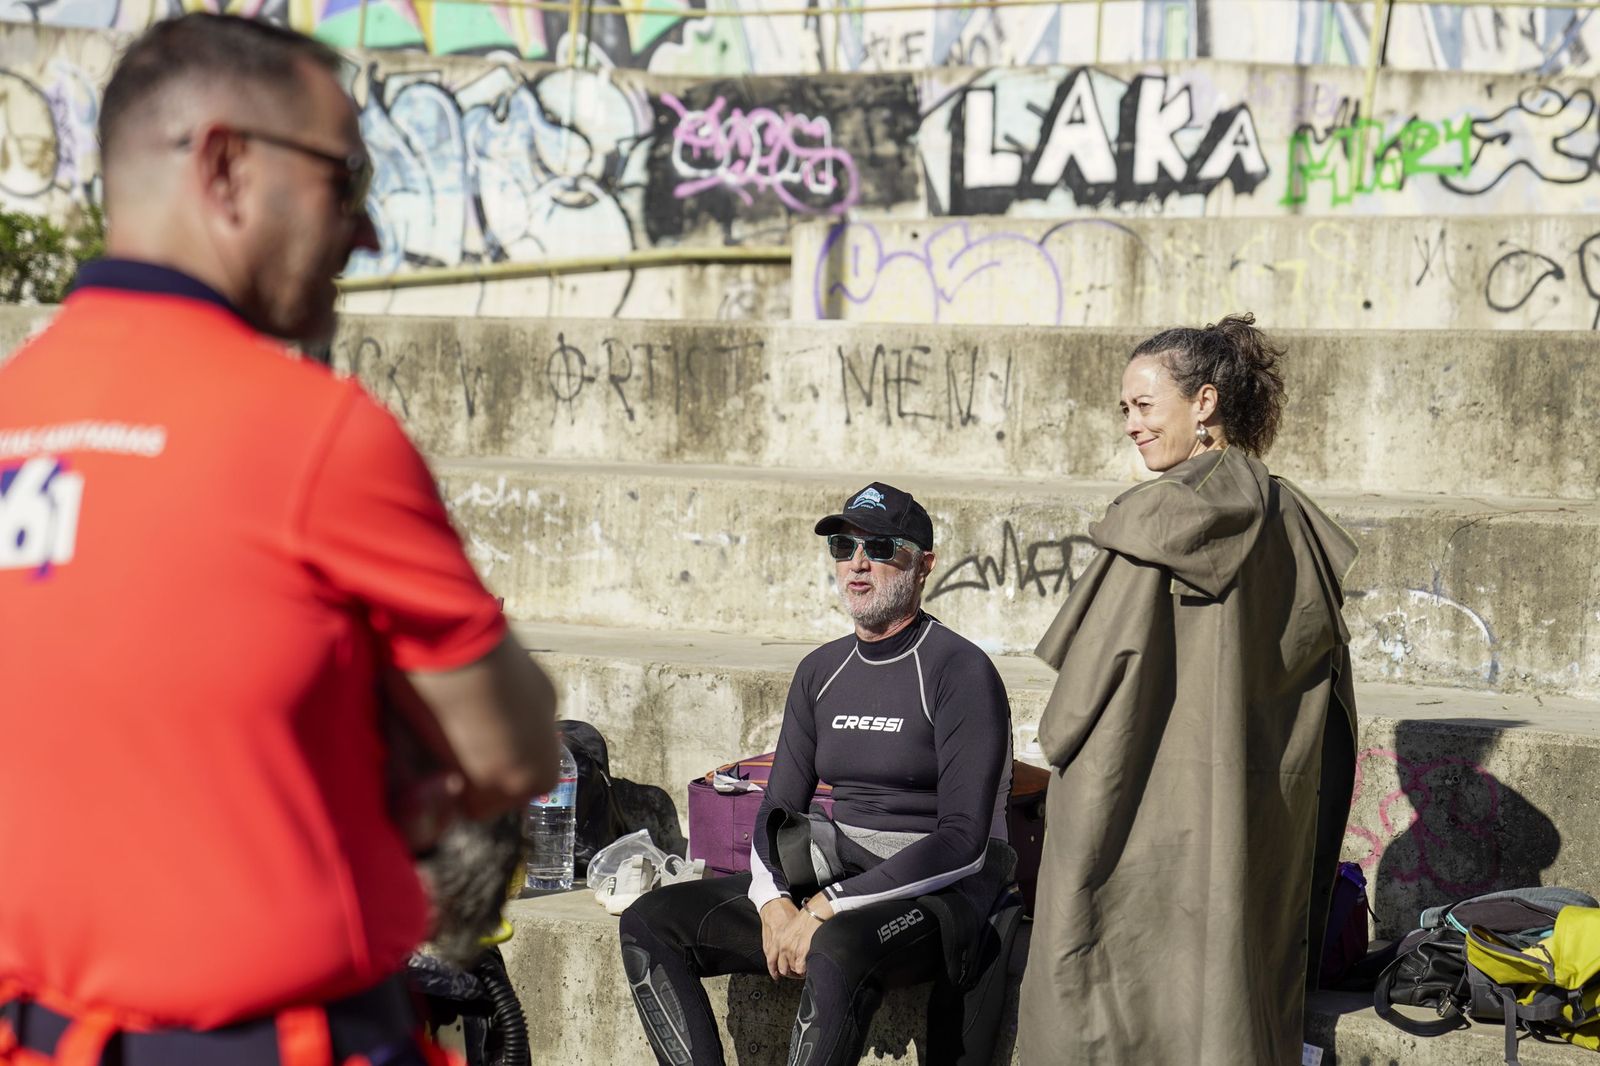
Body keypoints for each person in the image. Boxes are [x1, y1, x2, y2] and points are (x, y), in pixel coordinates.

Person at [0, 14, 559, 1064]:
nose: (367, 231)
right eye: (342, 177)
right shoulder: (313, 430)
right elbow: (513, 745)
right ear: (225, 166)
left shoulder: (10, 409)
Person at [1017, 313, 1358, 1066]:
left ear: (1204, 402)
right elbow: (1326, 685)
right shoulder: (1294, 517)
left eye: (1143, 406)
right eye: (1124, 409)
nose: (1131, 426)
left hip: (1141, 807)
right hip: (1248, 812)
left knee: (1104, 992)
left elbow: (1079, 703)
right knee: (1223, 997)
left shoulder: (1157, 517)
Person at [618, 483, 1014, 1066]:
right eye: (842, 545)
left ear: (924, 565)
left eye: (880, 547)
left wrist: (831, 904)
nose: (857, 563)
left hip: (933, 893)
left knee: (833, 947)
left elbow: (962, 844)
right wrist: (774, 899)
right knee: (649, 923)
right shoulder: (821, 671)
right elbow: (774, 810)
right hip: (837, 877)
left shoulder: (960, 671)